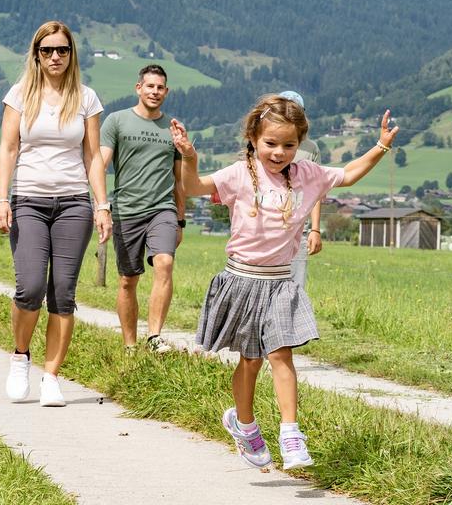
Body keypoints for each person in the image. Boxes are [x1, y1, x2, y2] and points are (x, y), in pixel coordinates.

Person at [170, 94, 397, 470]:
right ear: (254, 139)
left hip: (279, 282)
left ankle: (291, 435)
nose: (279, 153)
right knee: (251, 360)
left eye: (289, 145)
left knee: (281, 353)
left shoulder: (308, 174)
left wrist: (380, 146)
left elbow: (348, 174)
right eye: (271, 143)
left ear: (299, 143)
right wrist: (189, 156)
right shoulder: (239, 174)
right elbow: (193, 187)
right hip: (242, 279)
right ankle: (244, 425)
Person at [0, 20, 112, 407]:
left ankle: (51, 376)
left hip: (74, 204)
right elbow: (8, 149)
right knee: (29, 287)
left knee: (62, 292)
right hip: (28, 201)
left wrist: (102, 205)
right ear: (36, 55)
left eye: (62, 50)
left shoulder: (86, 98)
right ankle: (20, 357)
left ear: (71, 53)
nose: (55, 57)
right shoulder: (20, 95)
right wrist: (1, 199)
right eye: (47, 51)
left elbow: (93, 157)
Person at [100, 64, 184, 354]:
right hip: (127, 210)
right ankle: (130, 345)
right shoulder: (117, 121)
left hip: (162, 208)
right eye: (150, 86)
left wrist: (181, 220)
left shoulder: (173, 128)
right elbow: (100, 164)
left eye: (160, 88)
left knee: (165, 263)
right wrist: (101, 206)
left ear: (166, 92)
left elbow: (179, 180)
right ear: (139, 88)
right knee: (128, 280)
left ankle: (155, 337)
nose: (155, 92)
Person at [278, 91, 323, 288]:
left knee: (295, 286)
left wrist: (315, 229)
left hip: (298, 228)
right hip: (266, 225)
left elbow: (317, 191)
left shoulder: (311, 149)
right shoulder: (265, 142)